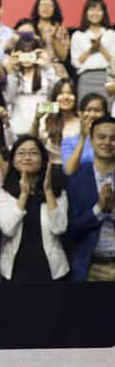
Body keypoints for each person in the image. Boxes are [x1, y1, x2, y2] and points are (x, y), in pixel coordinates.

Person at [0, 136, 69, 282]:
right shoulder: (5, 193)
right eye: (21, 153)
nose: (27, 157)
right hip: (14, 269)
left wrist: (48, 191)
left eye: (33, 153)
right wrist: (24, 194)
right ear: (13, 160)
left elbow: (59, 228)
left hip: (52, 269)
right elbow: (7, 229)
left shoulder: (57, 191)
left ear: (43, 159)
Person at [66, 116, 115, 281]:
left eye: (113, 138)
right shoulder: (76, 179)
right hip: (90, 268)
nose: (107, 142)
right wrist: (99, 209)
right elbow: (71, 229)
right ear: (91, 141)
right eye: (101, 137)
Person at [5, 36, 57, 136]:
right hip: (19, 126)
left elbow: (54, 94)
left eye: (30, 53)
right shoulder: (14, 75)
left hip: (43, 125)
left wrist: (47, 64)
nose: (27, 57)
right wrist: (11, 68)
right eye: (23, 53)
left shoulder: (46, 73)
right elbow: (9, 98)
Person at [70, 0, 115, 102]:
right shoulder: (78, 35)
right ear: (86, 12)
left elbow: (113, 62)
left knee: (107, 114)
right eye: (92, 9)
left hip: (108, 78)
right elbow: (76, 63)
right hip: (86, 78)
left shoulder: (111, 34)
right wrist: (91, 50)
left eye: (99, 10)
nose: (95, 13)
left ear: (104, 13)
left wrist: (100, 48)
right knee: (86, 110)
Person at [33, 79, 79, 161]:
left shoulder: (81, 121)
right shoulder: (46, 120)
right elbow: (32, 144)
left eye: (70, 93)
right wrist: (36, 119)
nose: (65, 97)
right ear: (54, 97)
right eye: (61, 93)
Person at [62, 93, 108, 176]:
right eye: (88, 110)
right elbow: (69, 171)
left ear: (105, 114)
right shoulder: (68, 142)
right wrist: (83, 137)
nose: (92, 114)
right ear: (80, 114)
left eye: (97, 111)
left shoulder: (111, 140)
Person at [30, 0, 71, 74]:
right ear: (37, 7)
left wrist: (53, 38)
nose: (46, 8)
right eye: (43, 4)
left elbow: (63, 57)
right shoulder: (30, 27)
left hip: (55, 68)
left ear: (54, 9)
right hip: (34, 68)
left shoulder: (61, 29)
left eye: (50, 5)